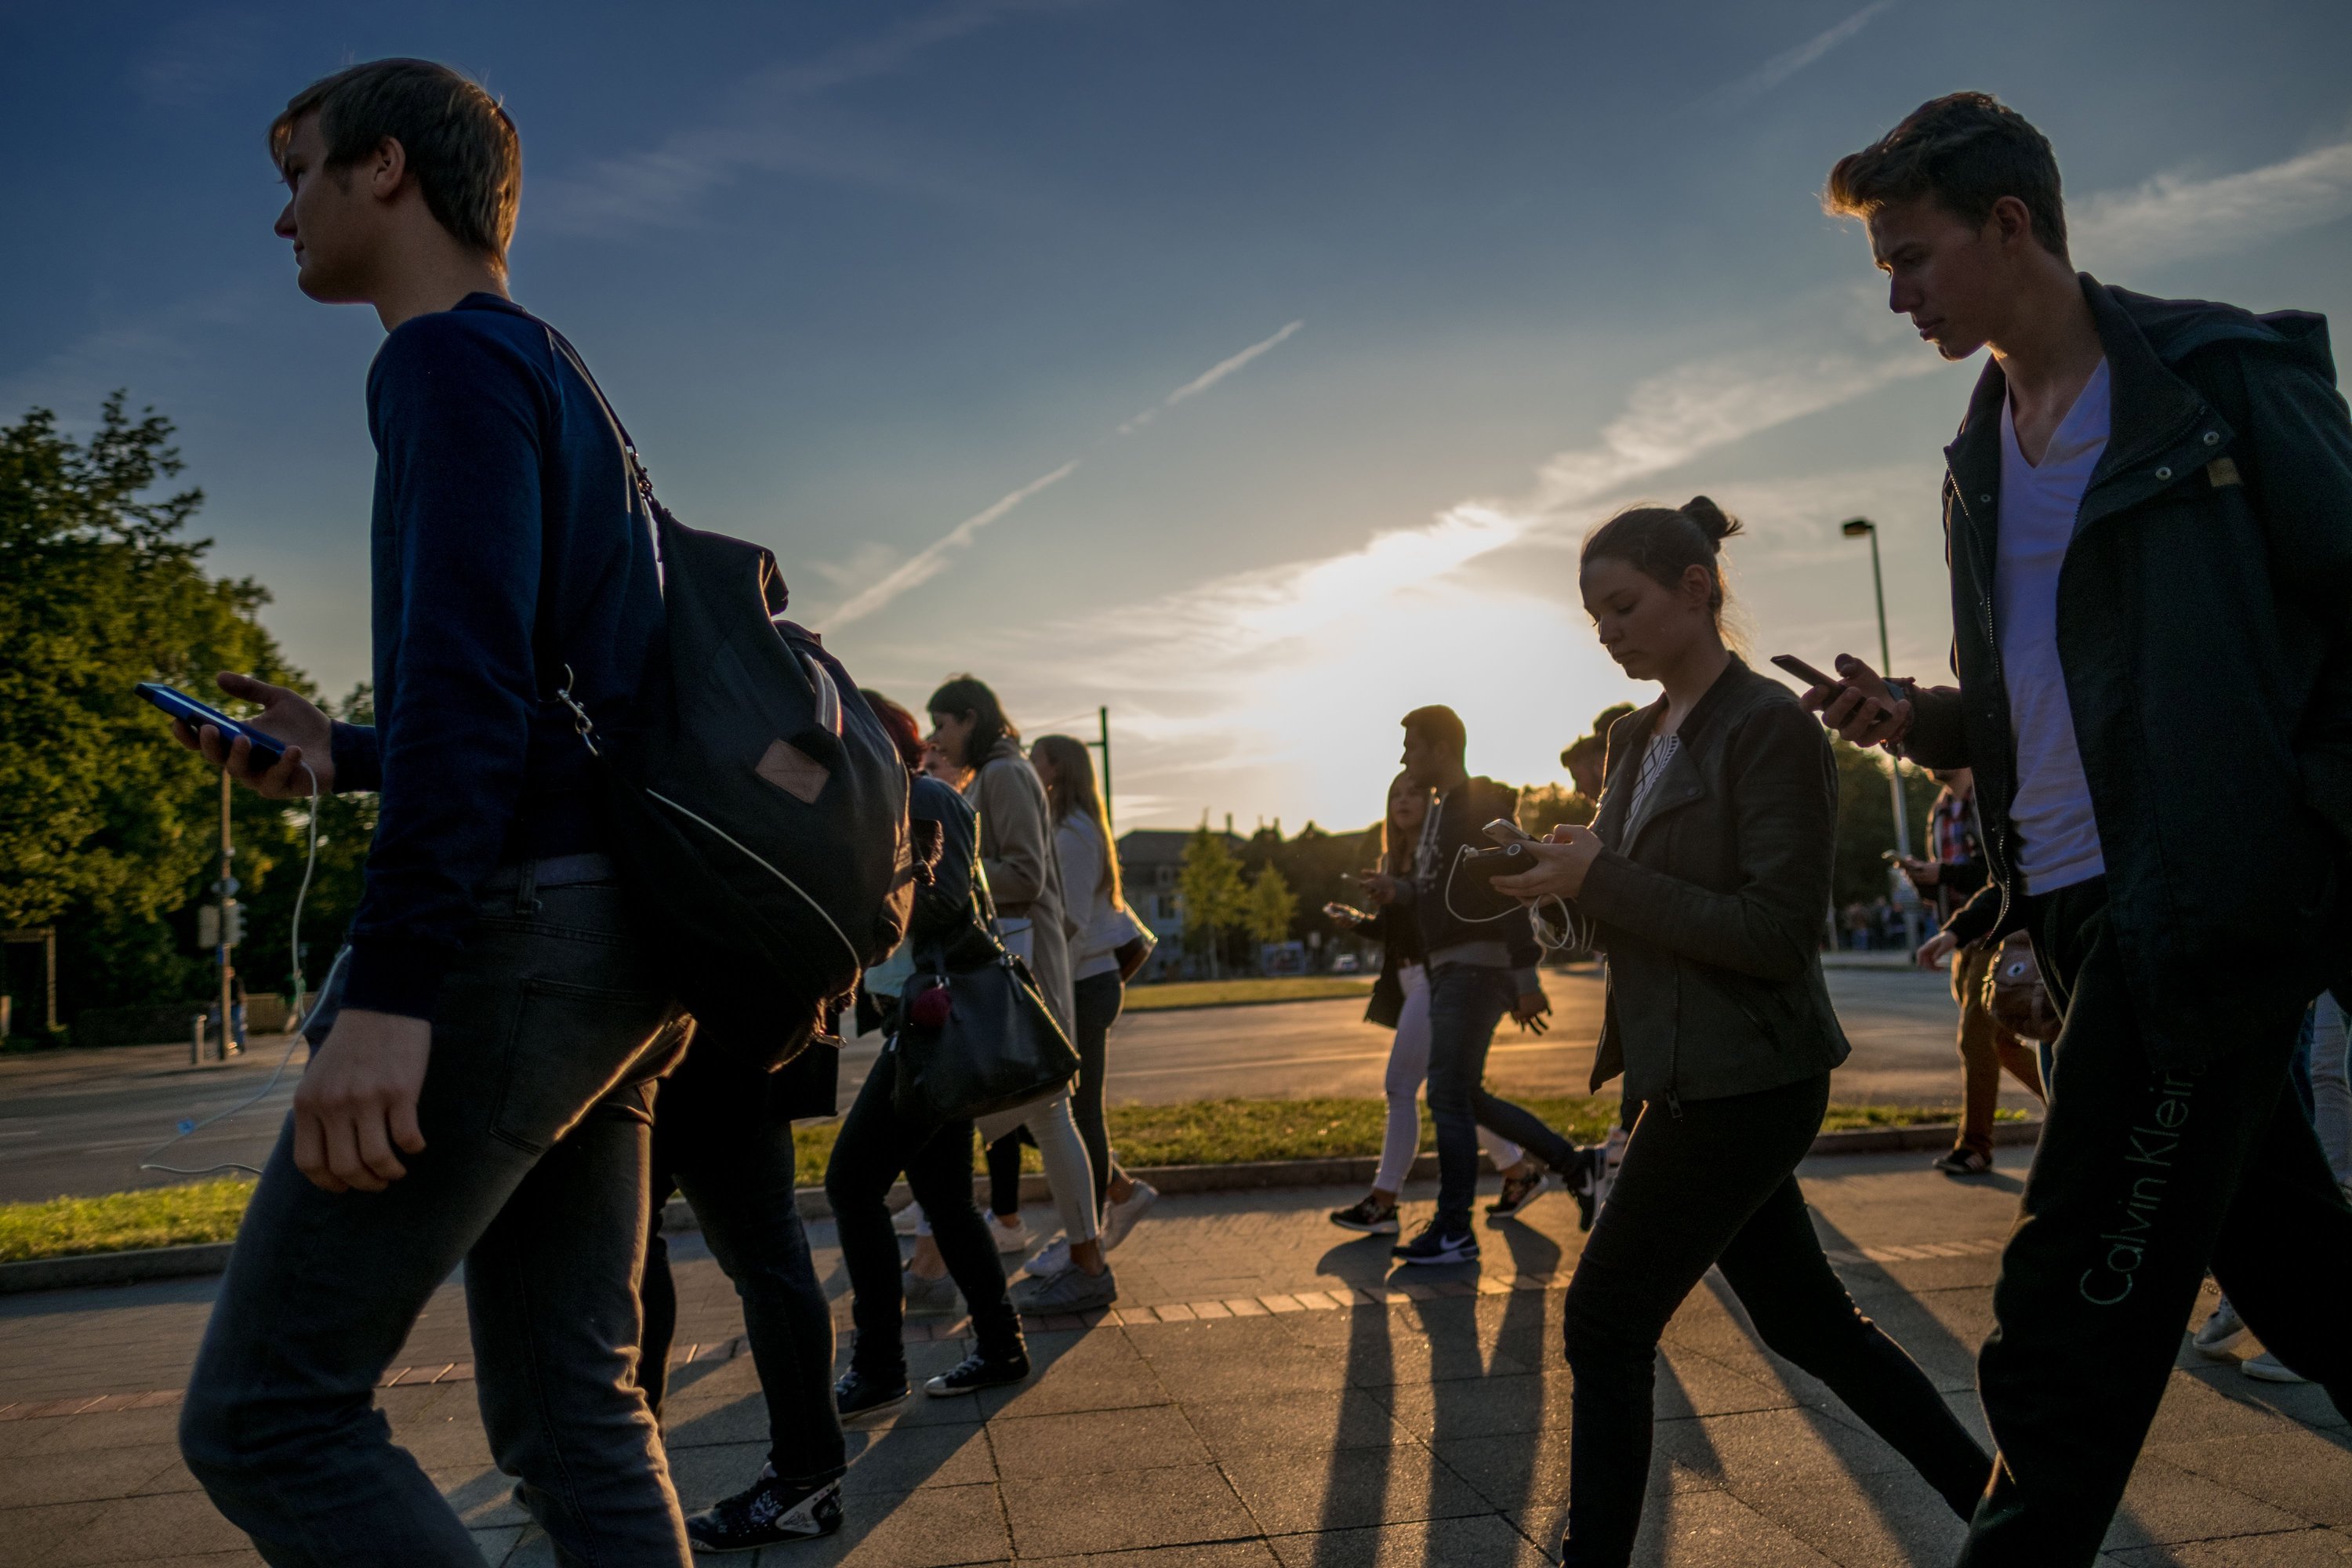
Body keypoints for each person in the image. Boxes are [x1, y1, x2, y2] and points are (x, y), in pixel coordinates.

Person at [1809, 92, 2352, 1560]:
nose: (1901, 299)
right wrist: (1916, 717)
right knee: (2301, 1278)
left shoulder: (2216, 383)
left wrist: (2294, 832)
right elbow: (2047, 700)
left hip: (2210, 907)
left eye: (1912, 260)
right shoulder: (1979, 456)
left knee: (2068, 1314)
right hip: (2088, 904)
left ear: (2011, 224)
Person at [173, 60, 696, 1562]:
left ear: (385, 167)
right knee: (575, 1412)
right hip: (620, 940)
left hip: (514, 935)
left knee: (270, 1414)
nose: (283, 219)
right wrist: (341, 748)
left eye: (298, 173)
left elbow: (469, 689)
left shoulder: (439, 364)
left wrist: (390, 991)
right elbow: (546, 710)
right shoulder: (553, 370)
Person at [1493, 496, 1993, 1566]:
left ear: (1695, 589)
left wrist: (1605, 875)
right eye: (1594, 618)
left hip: (1750, 1079)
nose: (1609, 632)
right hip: (1679, 1074)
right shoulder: (1634, 736)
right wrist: (1550, 888)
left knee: (1605, 1323)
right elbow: (1614, 911)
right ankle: (2007, 1521)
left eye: (1623, 605)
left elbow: (1775, 934)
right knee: (1811, 1328)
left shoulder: (1767, 724)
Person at [824, 695, 1032, 1415]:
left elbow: (945, 909)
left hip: (934, 1028)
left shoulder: (930, 797)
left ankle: (880, 1363)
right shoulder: (912, 799)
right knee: (944, 1196)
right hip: (921, 1024)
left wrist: (880, 869)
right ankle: (1002, 1346)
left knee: (851, 1183)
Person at [1359, 705, 1589, 1265]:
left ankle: (1455, 1229)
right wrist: (1403, 892)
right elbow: (1439, 891)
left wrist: (1525, 976)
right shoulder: (1441, 812)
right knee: (1463, 1094)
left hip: (1475, 967)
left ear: (1440, 750)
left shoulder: (1478, 805)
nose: (1404, 758)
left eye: (1411, 747)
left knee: (1446, 1094)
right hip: (1450, 967)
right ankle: (1575, 1166)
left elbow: (1506, 887)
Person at [924, 677, 1116, 1312]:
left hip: (1018, 964)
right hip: (1020, 962)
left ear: (972, 718)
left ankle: (932, 1263)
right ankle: (1083, 1260)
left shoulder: (1004, 775)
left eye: (944, 725)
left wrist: (951, 874)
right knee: (1040, 1113)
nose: (937, 738)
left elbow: (1026, 874)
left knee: (979, 1115)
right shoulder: (995, 773)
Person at [1327, 771, 1560, 1235]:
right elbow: (1402, 930)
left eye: (1414, 791)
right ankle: (1518, 1173)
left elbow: (1478, 912)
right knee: (1452, 1090)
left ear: (1432, 801)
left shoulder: (1442, 851)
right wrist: (1360, 922)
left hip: (1441, 978)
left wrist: (1518, 979)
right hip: (1412, 977)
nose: (1404, 800)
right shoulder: (1397, 858)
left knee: (1402, 1087)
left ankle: (1384, 1201)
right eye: (1396, 793)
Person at [637, 1036, 847, 1548]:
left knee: (764, 1254)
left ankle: (805, 1483)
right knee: (633, 1241)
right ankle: (623, 1456)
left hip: (711, 1048)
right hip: (721, 1038)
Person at [1023, 733, 1160, 1270]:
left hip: (1083, 983)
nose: (1030, 768)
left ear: (1058, 769)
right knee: (1061, 1112)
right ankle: (1120, 1194)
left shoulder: (1074, 834)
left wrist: (1047, 987)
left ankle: (1091, 1240)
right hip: (1079, 981)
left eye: (1037, 760)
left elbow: (1072, 924)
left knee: (1078, 1111)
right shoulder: (1064, 827)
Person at [1904, 768, 2044, 1175]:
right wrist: (1925, 880)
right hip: (1960, 937)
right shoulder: (1941, 811)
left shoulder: (1988, 799)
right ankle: (2078, 1108)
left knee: (1974, 1041)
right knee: (2000, 1043)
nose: (1917, 756)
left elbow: (1997, 876)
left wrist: (1944, 875)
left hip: (1993, 934)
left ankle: (1974, 1147)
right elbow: (1946, 886)